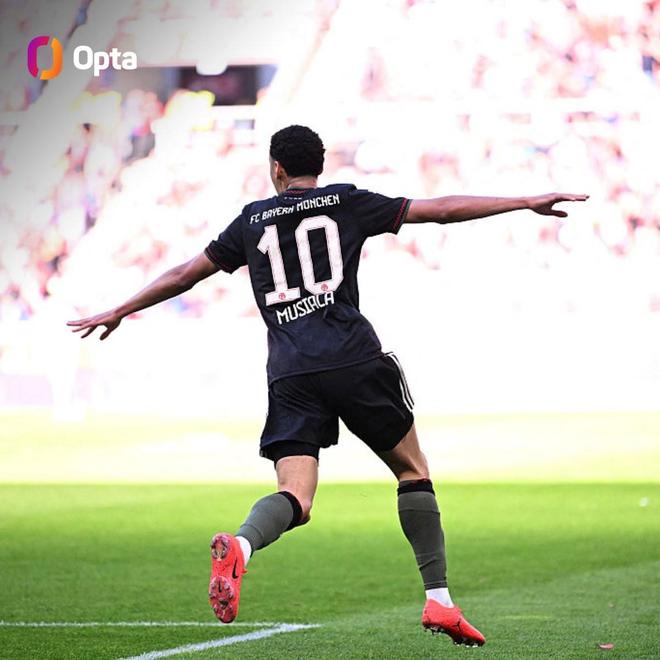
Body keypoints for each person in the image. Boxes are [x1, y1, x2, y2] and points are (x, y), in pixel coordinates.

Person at [68, 124, 588, 647]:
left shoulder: (251, 220)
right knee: (412, 470)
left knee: (295, 496)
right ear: (319, 166)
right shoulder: (345, 202)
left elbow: (185, 274)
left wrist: (120, 309)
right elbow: (440, 210)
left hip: (290, 371)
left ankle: (241, 547)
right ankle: (439, 600)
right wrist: (524, 201)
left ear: (276, 168)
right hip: (353, 358)